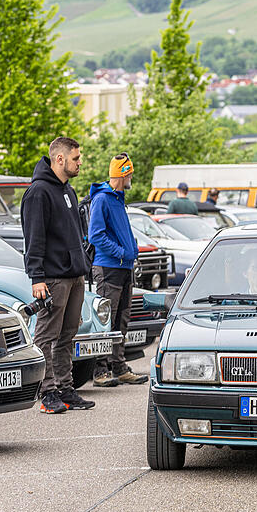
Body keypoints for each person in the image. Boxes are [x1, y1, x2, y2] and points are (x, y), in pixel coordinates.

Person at [21, 137, 95, 414]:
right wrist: (36, 277)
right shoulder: (38, 192)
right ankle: (47, 391)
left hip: (75, 275)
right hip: (52, 278)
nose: (80, 163)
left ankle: (65, 388)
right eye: (76, 158)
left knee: (68, 334)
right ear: (60, 159)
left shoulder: (69, 191)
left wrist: (83, 262)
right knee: (46, 335)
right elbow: (34, 239)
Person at [88, 153, 148, 388]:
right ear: (123, 174)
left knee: (121, 320)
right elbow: (96, 235)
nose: (132, 177)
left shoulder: (118, 198)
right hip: (108, 268)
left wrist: (132, 249)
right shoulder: (103, 199)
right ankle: (100, 370)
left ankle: (119, 366)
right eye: (130, 173)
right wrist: (122, 252)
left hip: (123, 268)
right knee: (105, 320)